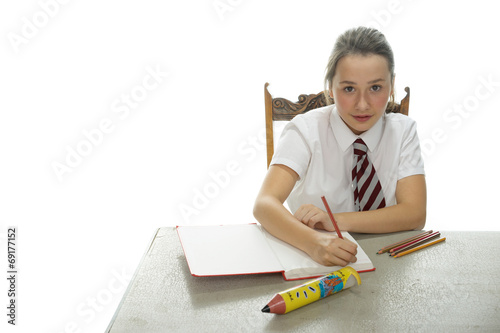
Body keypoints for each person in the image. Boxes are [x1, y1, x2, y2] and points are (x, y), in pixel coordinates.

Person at [253, 27, 426, 267]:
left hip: (386, 258)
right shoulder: (304, 130)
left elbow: (415, 214)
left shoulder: (403, 130)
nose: (363, 104)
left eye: (376, 88)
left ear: (392, 85)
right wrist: (313, 242)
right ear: (330, 88)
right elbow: (264, 204)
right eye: (349, 89)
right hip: (315, 262)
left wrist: (332, 219)